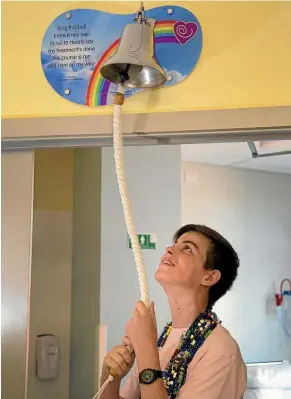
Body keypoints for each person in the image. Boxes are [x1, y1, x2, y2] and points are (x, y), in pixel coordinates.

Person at [100, 224, 247, 399]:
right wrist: (110, 378)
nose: (169, 249)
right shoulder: (161, 340)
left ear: (209, 277)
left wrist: (146, 350)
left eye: (187, 248)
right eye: (174, 244)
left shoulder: (221, 350)